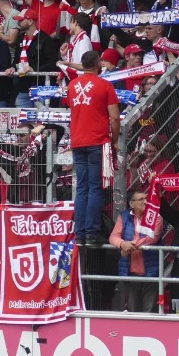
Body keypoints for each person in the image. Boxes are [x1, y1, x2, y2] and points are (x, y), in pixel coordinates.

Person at [65, 50, 120, 246]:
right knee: (95, 188)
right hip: (98, 141)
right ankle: (92, 233)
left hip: (78, 140)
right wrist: (115, 139)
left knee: (82, 188)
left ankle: (80, 233)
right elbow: (115, 117)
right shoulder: (105, 85)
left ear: (83, 65)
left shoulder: (72, 85)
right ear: (98, 63)